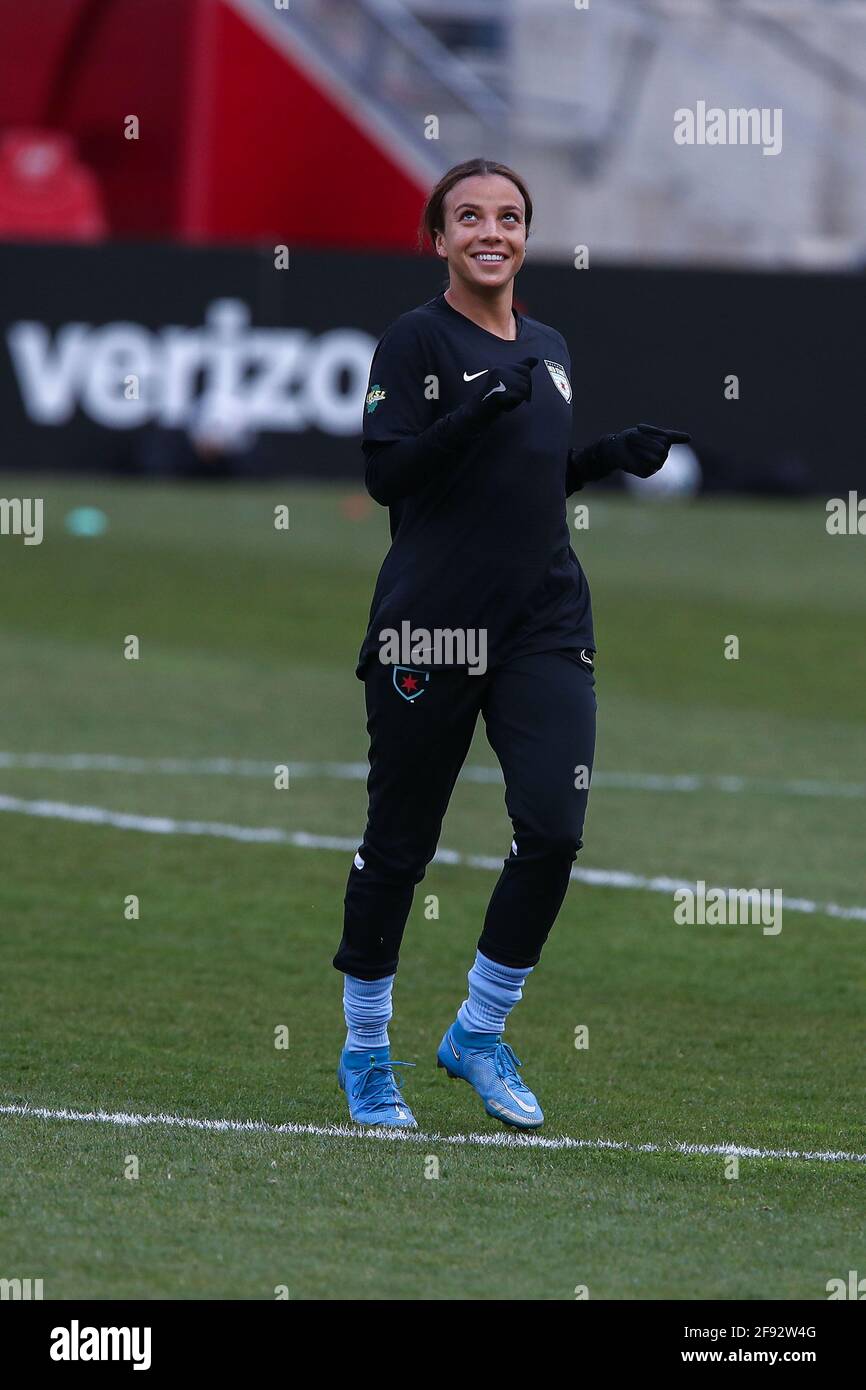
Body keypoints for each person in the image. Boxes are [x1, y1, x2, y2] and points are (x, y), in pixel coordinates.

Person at [333, 157, 689, 1130]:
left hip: (542, 619)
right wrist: (469, 413)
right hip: (432, 620)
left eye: (509, 217)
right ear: (438, 237)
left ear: (525, 235)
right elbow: (389, 477)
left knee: (555, 826)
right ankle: (365, 1051)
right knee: (398, 846)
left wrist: (603, 459)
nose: (491, 231)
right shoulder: (413, 340)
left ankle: (478, 1030)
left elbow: (523, 486)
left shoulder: (549, 343)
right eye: (469, 217)